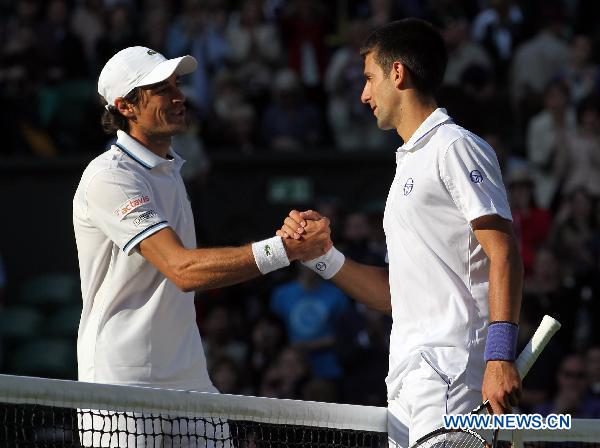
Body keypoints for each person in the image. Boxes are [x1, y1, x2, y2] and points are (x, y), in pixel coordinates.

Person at [277, 19, 523, 447]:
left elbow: (503, 252)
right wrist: (320, 255)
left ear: (397, 73)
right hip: (408, 381)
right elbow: (398, 294)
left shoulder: (453, 145)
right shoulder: (409, 163)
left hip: (451, 370)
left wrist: (499, 355)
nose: (364, 94)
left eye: (369, 78)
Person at [72, 46, 331, 447]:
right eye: (161, 89)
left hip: (188, 374)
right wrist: (285, 250)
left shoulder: (170, 168)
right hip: (121, 380)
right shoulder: (109, 176)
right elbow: (183, 270)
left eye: (177, 84)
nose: (178, 96)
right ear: (125, 106)